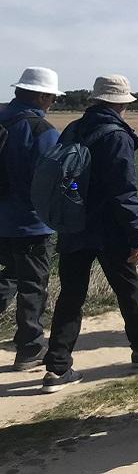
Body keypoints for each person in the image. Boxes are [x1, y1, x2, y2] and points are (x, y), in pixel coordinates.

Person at [43, 75, 138, 393]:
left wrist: (77, 202)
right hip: (109, 229)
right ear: (120, 103)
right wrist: (137, 236)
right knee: (128, 289)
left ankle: (57, 367)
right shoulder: (116, 136)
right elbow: (124, 192)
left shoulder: (74, 128)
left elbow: (66, 177)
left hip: (74, 223)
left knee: (71, 295)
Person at [0, 68, 62, 370]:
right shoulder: (42, 131)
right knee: (32, 286)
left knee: (7, 277)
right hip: (31, 223)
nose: (51, 103)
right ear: (41, 96)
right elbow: (59, 178)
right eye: (51, 97)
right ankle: (30, 347)